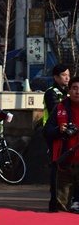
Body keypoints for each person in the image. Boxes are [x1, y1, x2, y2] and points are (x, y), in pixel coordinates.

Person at [44, 76, 79, 212]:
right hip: (64, 163)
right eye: (74, 88)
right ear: (68, 90)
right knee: (59, 206)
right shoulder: (60, 107)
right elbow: (47, 131)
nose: (77, 92)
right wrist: (59, 130)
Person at [42, 64, 70, 212]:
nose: (67, 78)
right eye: (64, 75)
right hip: (53, 132)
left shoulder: (69, 92)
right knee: (56, 165)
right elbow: (56, 110)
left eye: (68, 75)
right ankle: (55, 202)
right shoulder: (51, 92)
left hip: (67, 133)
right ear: (56, 77)